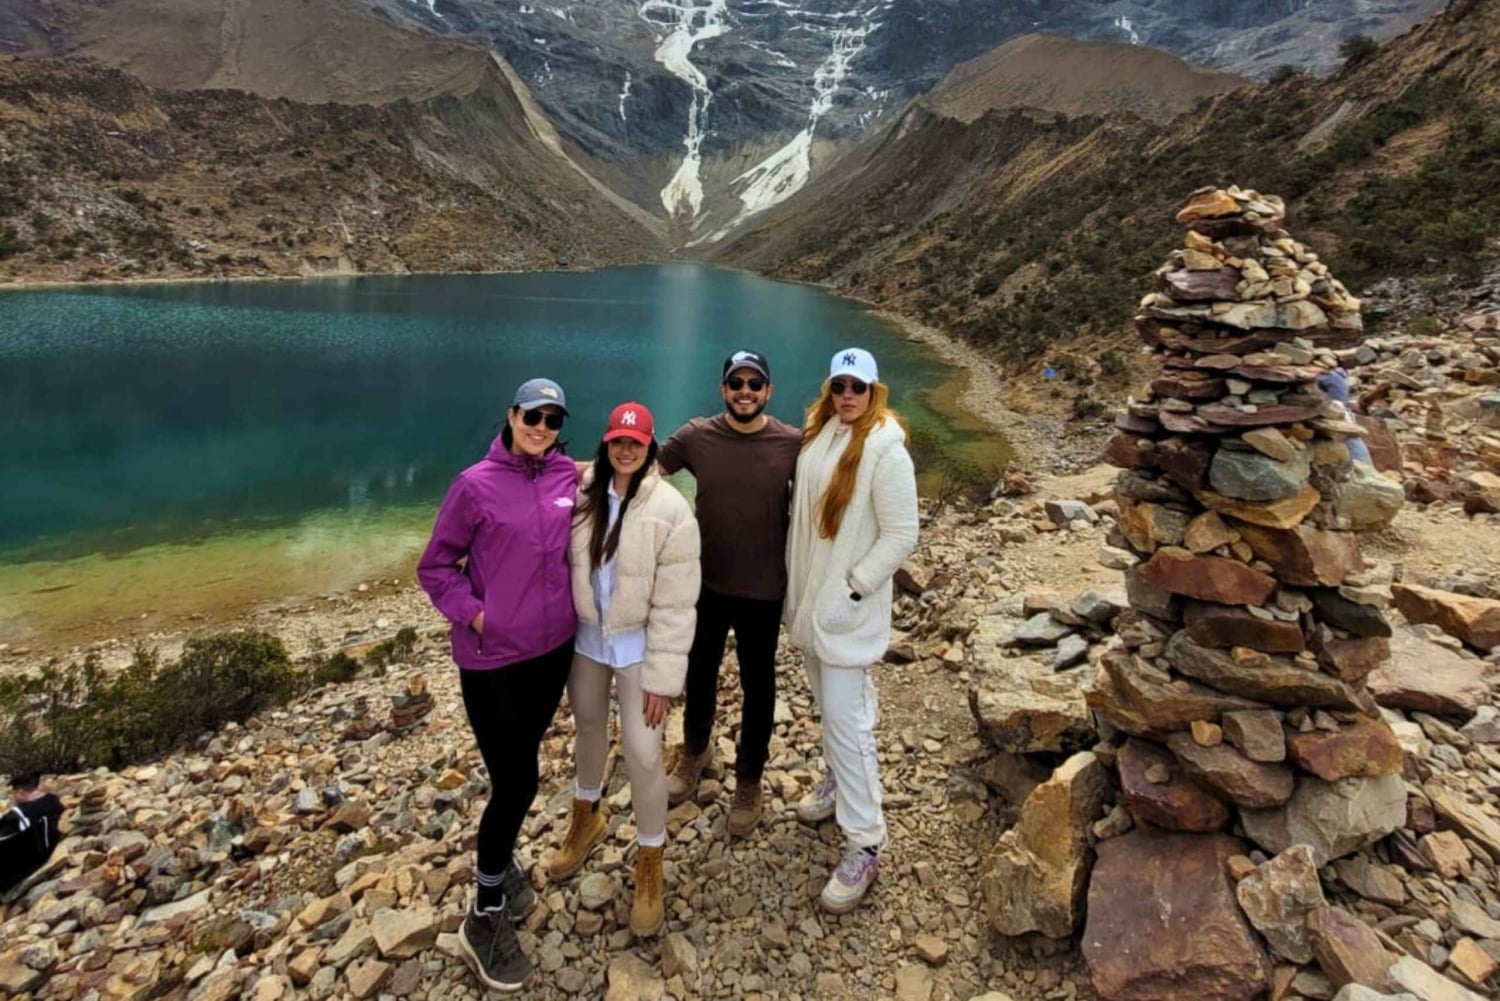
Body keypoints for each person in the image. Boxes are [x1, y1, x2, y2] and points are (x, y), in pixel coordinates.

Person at [417, 377, 578, 994]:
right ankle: (482, 916)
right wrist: (479, 614)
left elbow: (619, 467)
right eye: (532, 415)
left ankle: (500, 860)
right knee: (519, 781)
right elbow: (435, 566)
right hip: (490, 661)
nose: (541, 426)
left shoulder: (566, 476)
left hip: (552, 654)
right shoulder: (473, 484)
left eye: (553, 418)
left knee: (517, 766)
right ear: (511, 415)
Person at [548, 401, 700, 937]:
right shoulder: (585, 492)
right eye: (618, 441)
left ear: (651, 446)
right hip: (589, 642)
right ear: (606, 443)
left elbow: (679, 603)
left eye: (636, 442)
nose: (626, 449)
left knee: (641, 751)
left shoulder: (671, 510)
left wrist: (663, 677)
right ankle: (586, 820)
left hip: (639, 649)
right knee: (588, 730)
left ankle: (650, 859)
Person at [783, 347, 918, 914]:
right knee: (833, 708)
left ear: (874, 391)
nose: (847, 396)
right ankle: (840, 781)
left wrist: (853, 589)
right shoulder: (822, 432)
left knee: (847, 722)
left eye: (857, 388)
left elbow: (901, 533)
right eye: (839, 385)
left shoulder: (885, 449)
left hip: (844, 609)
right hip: (813, 607)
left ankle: (866, 841)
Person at [657, 350, 803, 837]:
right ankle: (695, 753)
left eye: (754, 383)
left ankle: (749, 779)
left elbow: (825, 494)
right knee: (699, 674)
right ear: (723, 389)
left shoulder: (791, 443)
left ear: (768, 391)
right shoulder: (698, 437)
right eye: (736, 383)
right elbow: (639, 468)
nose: (745, 391)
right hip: (708, 583)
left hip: (764, 590)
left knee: (759, 686)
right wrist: (559, 473)